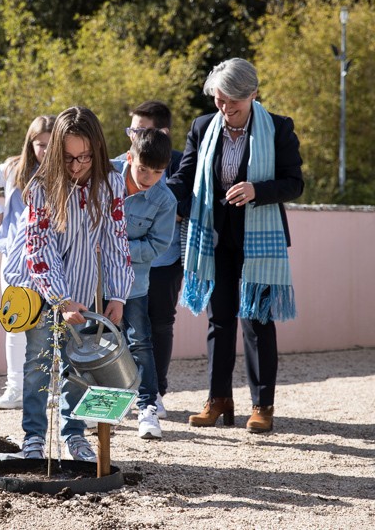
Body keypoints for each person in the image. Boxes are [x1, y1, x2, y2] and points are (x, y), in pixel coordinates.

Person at [167, 58, 303, 434]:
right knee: (219, 320)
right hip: (214, 238)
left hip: (260, 240)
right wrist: (155, 195)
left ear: (253, 95)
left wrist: (258, 189)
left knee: (257, 321)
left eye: (234, 103)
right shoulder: (202, 127)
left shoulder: (278, 128)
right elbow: (186, 177)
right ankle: (218, 399)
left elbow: (295, 183)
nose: (226, 110)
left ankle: (262, 405)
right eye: (220, 100)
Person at [4, 106, 134, 461]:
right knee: (38, 365)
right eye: (68, 158)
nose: (76, 166)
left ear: (98, 150)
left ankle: (75, 436)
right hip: (44, 292)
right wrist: (60, 300)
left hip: (86, 290)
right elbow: (38, 248)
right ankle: (33, 438)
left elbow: (116, 240)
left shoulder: (111, 183)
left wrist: (118, 295)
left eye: (85, 157)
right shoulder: (40, 187)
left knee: (78, 367)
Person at [0, 115, 55, 410]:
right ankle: (15, 387)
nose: (45, 150)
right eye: (40, 144)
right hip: (13, 256)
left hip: (49, 257)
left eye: (50, 143)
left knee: (48, 322)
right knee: (15, 321)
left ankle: (47, 385)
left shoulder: (62, 172)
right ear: (30, 143)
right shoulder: (14, 168)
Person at [116, 101, 183, 418]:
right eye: (133, 129)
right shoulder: (112, 172)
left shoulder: (173, 171)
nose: (135, 135)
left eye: (142, 130)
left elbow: (171, 226)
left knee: (155, 330)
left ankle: (153, 395)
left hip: (159, 266)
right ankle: (113, 399)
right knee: (110, 335)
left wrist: (119, 248)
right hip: (113, 276)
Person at [108, 128, 176, 439]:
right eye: (142, 169)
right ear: (129, 157)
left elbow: (157, 246)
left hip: (134, 285)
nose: (149, 177)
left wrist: (116, 248)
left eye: (158, 172)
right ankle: (102, 407)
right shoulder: (102, 176)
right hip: (91, 280)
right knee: (97, 341)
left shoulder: (165, 199)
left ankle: (147, 407)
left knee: (139, 342)